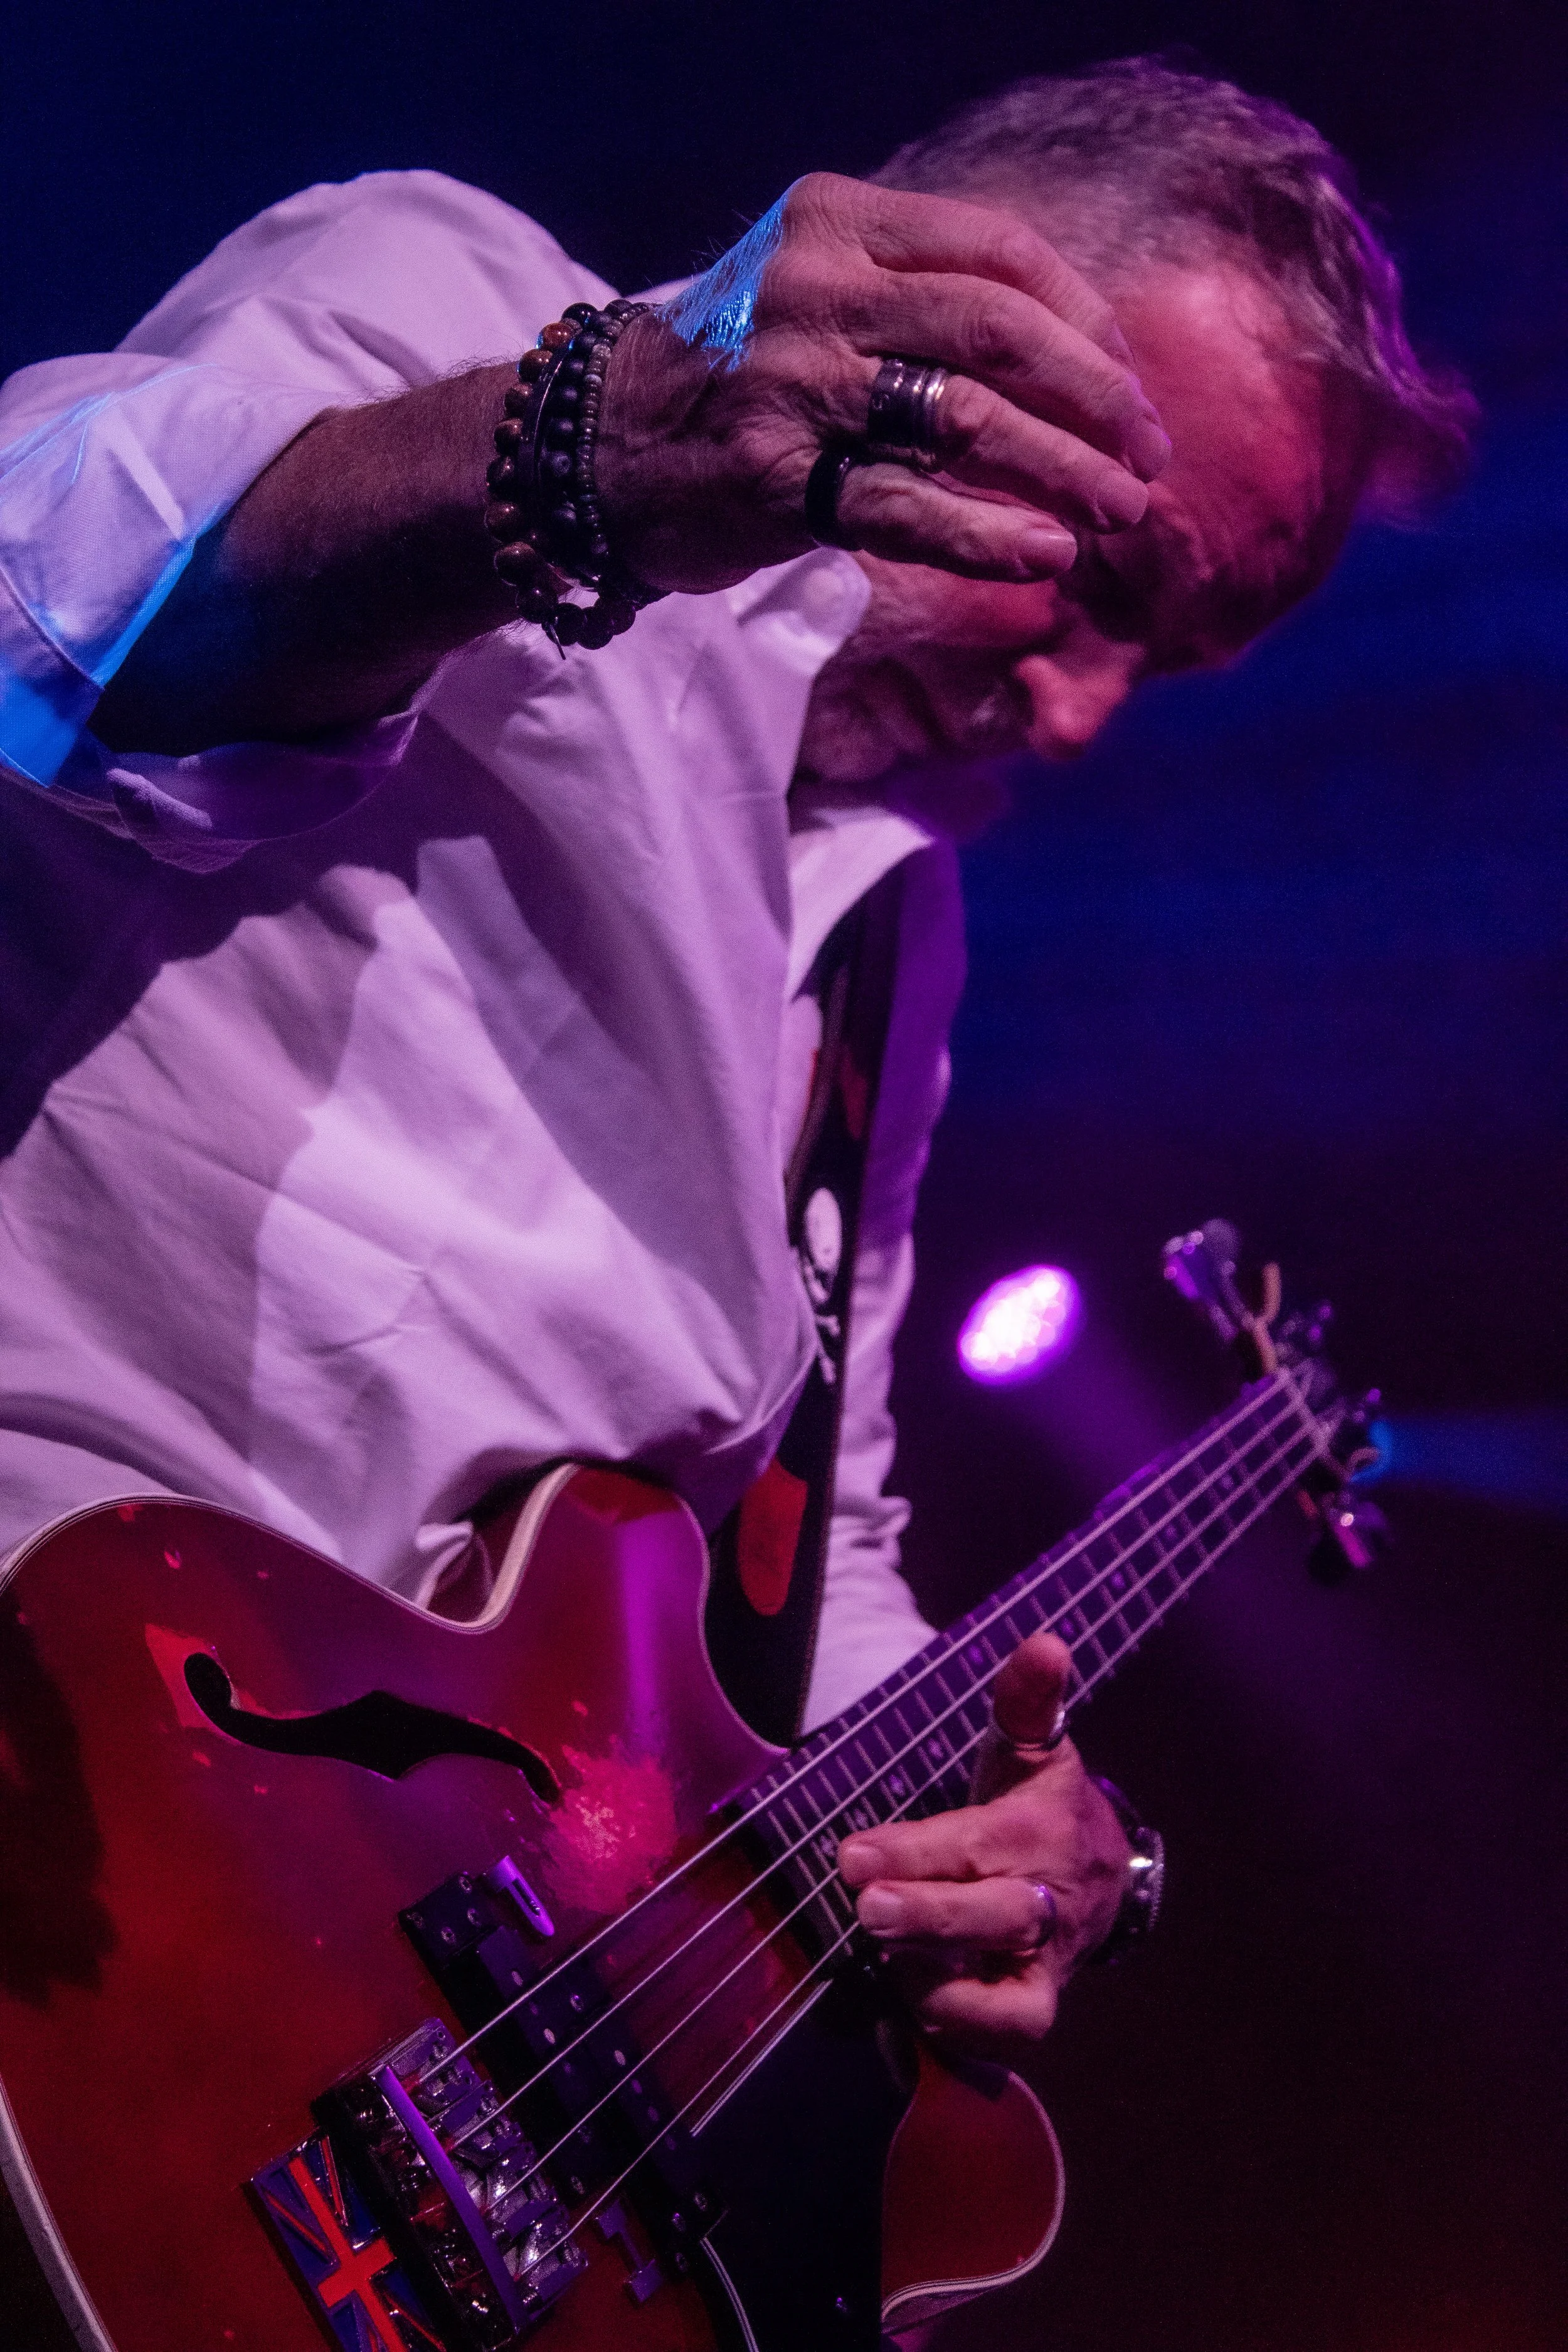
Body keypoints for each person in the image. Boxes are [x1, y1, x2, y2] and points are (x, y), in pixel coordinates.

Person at [0, 61, 1468, 2055]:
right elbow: (43, 612)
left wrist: (1025, 1829)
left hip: (337, 1954)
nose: (1076, 720)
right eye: (1101, 583)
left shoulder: (893, 934)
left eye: (1168, 669)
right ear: (946, 313)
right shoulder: (474, 307)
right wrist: (576, 450)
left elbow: (800, 1550)